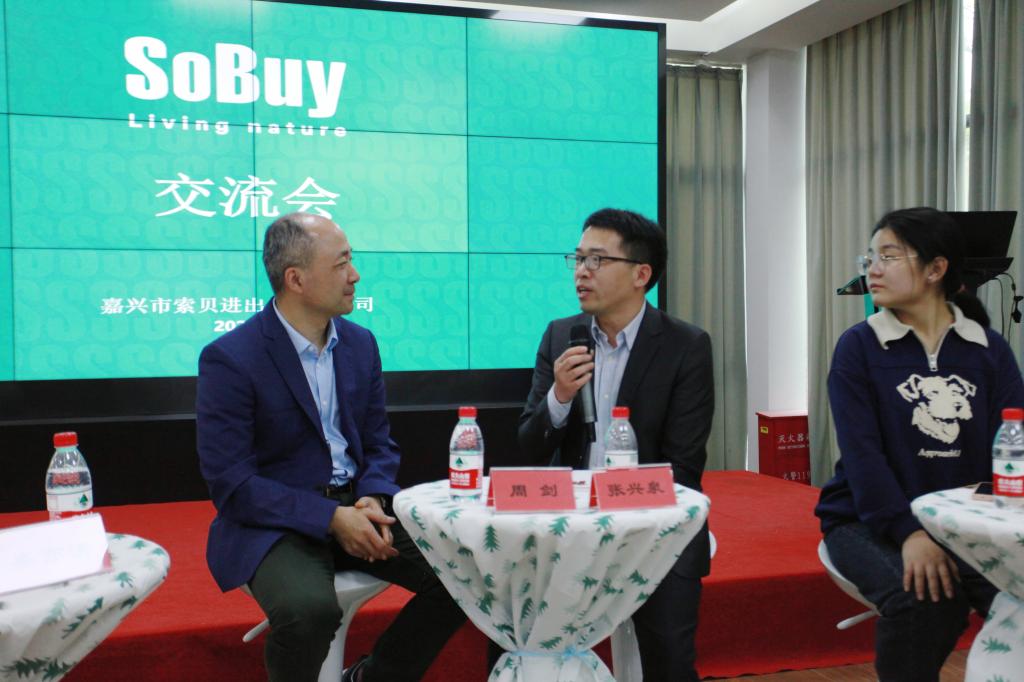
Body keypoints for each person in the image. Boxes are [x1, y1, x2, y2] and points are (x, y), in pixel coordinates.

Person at [196, 213, 465, 682]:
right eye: (341, 264)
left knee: (466, 578)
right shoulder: (231, 358)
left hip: (358, 505)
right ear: (296, 279)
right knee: (308, 611)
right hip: (278, 521)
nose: (355, 275)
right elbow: (232, 483)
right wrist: (330, 518)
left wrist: (374, 496)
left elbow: (379, 443)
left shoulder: (360, 344)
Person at [815, 207, 1024, 681]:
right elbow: (863, 458)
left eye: (888, 256)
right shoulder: (859, 347)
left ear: (936, 269)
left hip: (964, 524)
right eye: (870, 257)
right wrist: (909, 533)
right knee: (925, 602)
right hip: (868, 521)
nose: (872, 269)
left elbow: (1010, 447)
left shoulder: (988, 350)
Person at [517, 208, 715, 681]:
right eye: (578, 259)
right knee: (517, 634)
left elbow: (683, 467)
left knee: (669, 661)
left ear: (641, 275)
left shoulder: (685, 346)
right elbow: (527, 448)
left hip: (656, 530)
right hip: (570, 526)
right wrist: (559, 397)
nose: (581, 272)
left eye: (598, 260)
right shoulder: (561, 335)